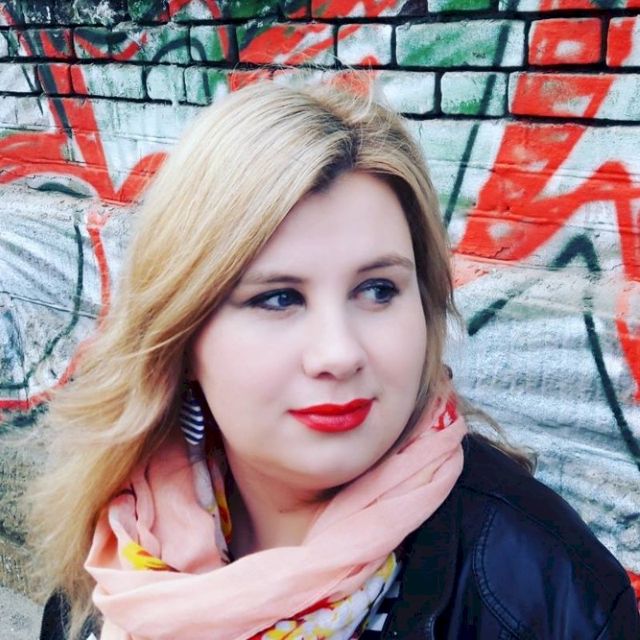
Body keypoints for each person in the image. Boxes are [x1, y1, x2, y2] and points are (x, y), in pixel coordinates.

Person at [31, 82, 638, 640]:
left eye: (377, 289)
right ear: (183, 335)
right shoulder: (121, 548)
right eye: (278, 298)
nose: (339, 354)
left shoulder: (546, 592)